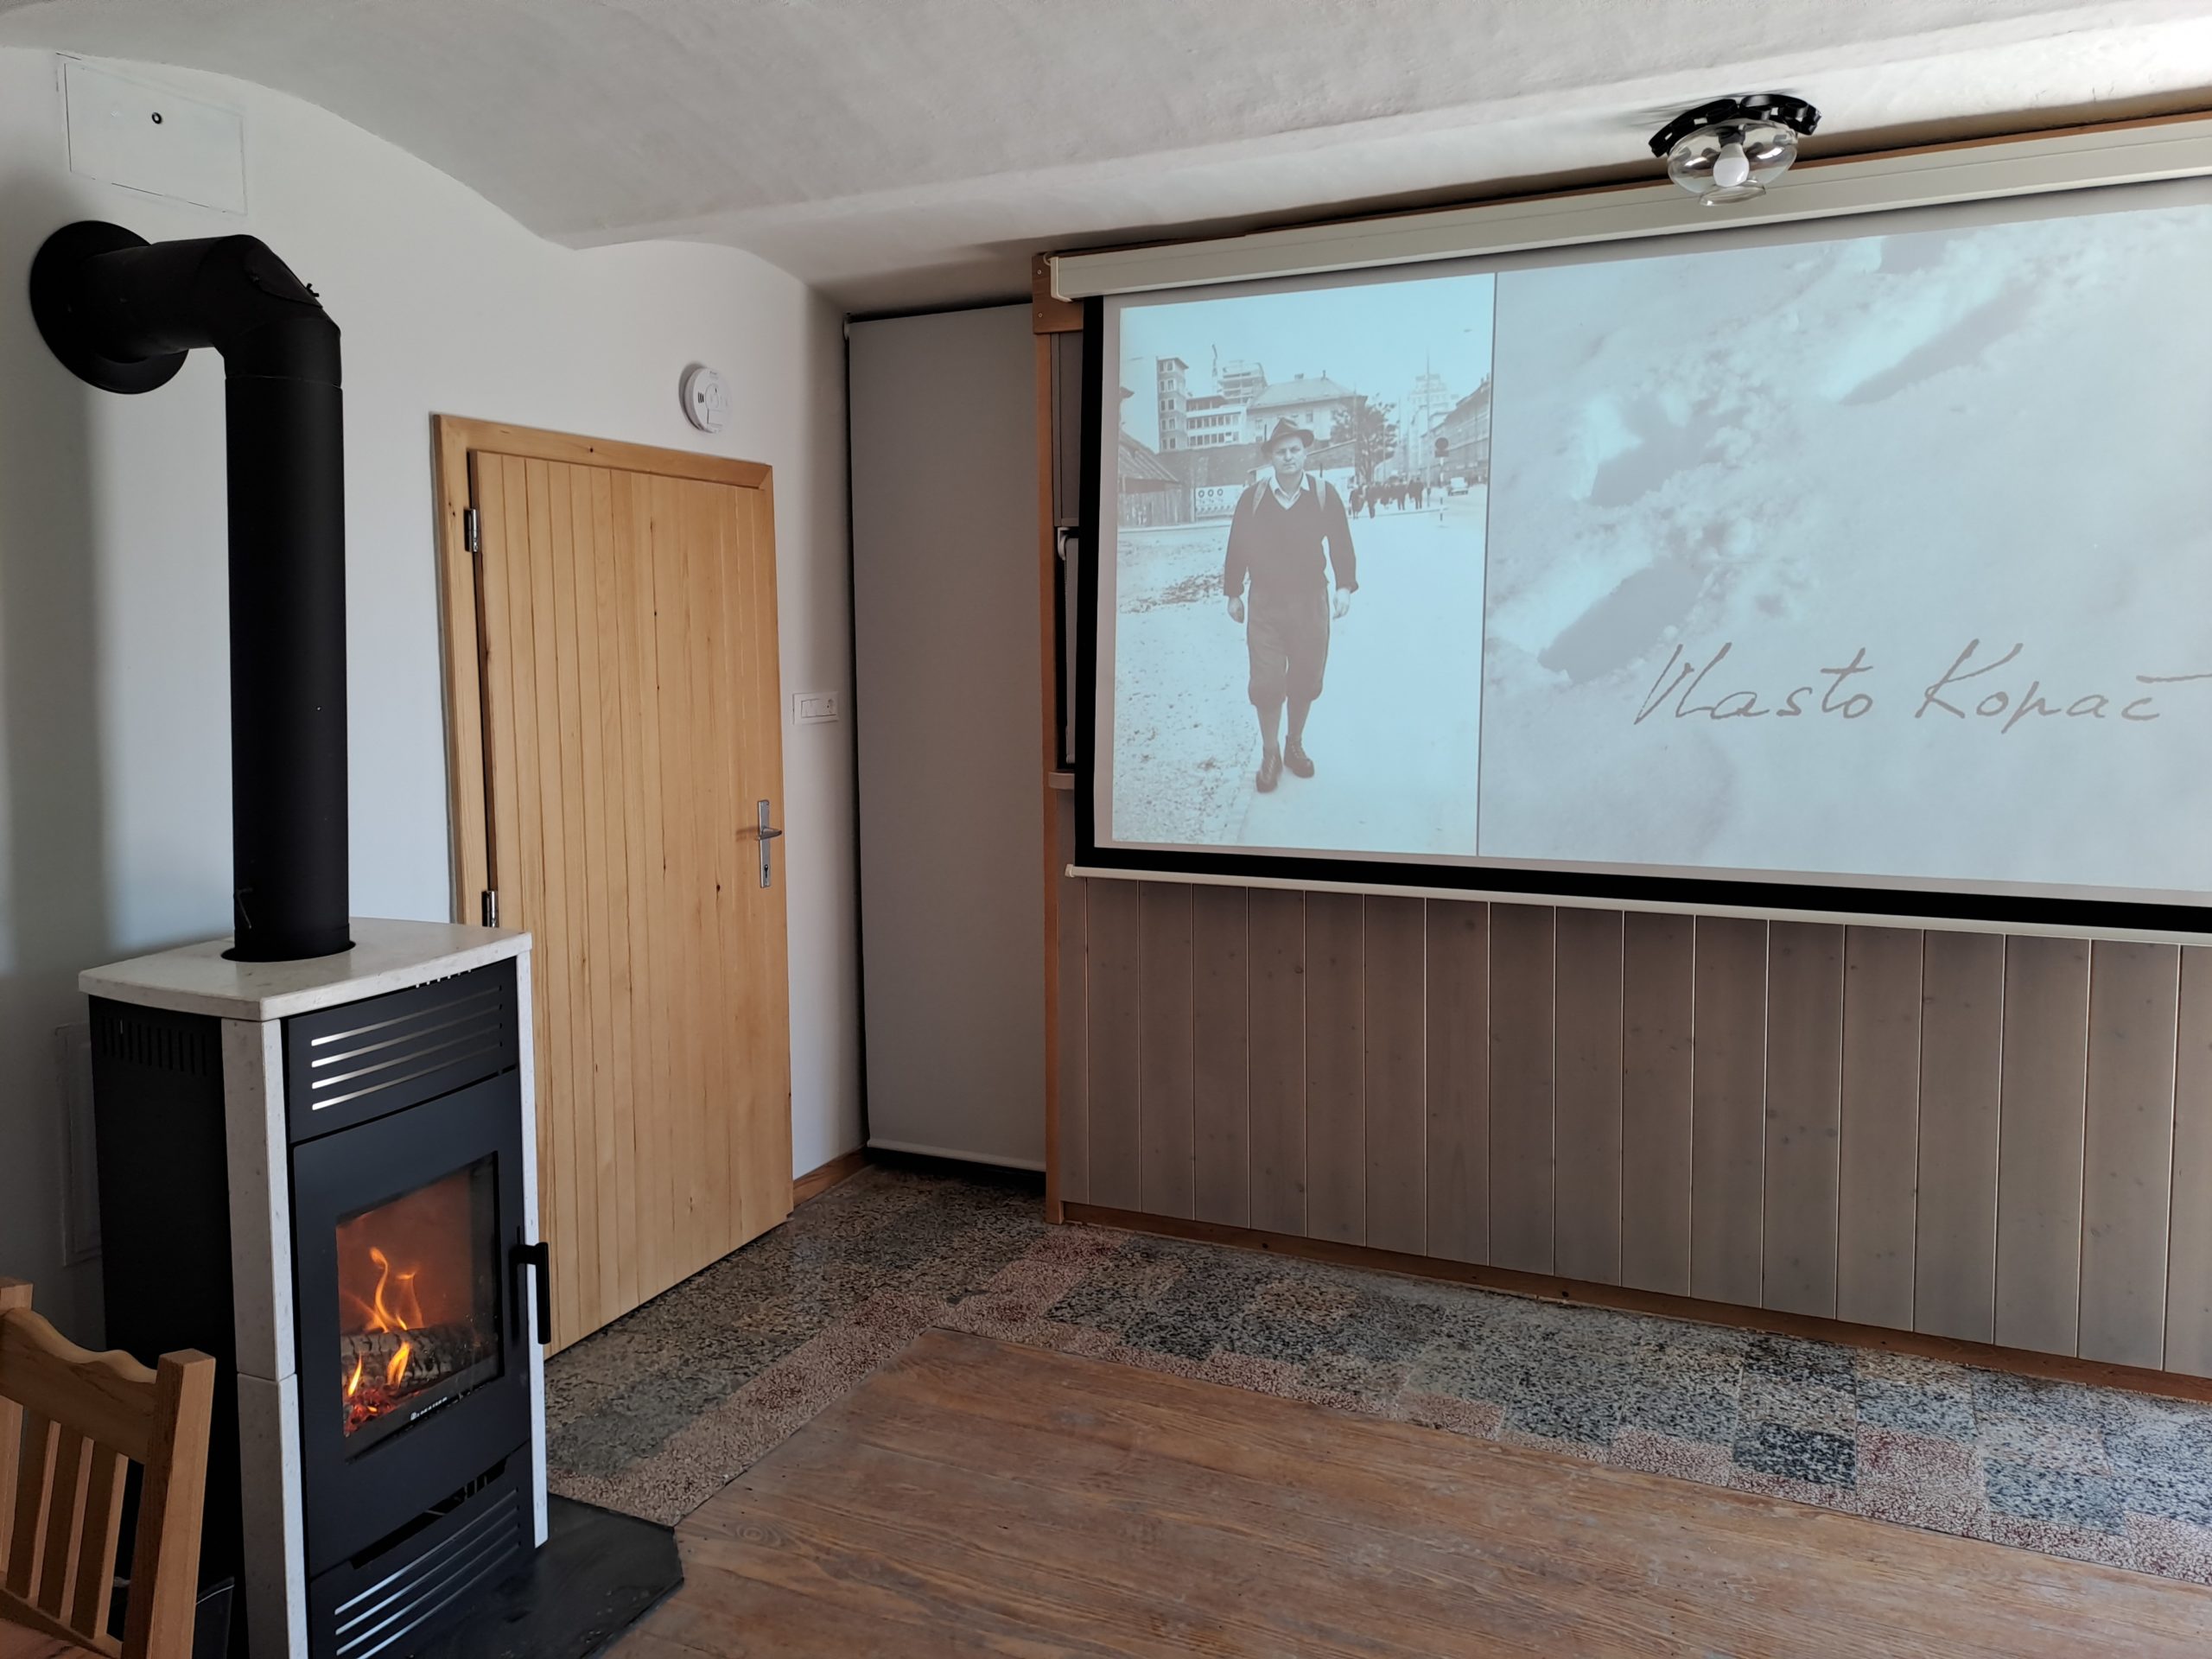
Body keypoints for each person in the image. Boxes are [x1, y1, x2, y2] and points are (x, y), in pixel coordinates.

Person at [1224, 418, 1357, 792]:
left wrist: (1344, 586)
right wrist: (1233, 592)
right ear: (1270, 457)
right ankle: (1270, 754)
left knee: (1305, 677)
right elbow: (1237, 545)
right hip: (1266, 604)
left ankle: (1293, 744)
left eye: (1295, 450)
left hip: (1311, 602)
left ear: (1305, 453)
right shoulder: (1252, 499)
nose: (1288, 457)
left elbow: (1342, 544)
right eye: (1281, 451)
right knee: (1266, 681)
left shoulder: (1324, 495)